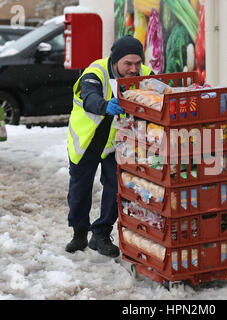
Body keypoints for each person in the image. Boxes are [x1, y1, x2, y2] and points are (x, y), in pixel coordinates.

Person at [65, 35, 154, 257]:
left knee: (116, 188)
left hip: (116, 142)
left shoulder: (145, 73)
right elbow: (89, 97)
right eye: (128, 64)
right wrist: (105, 105)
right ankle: (79, 233)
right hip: (87, 140)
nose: (134, 69)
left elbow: (161, 93)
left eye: (137, 63)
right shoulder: (96, 72)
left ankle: (101, 233)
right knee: (79, 189)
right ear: (115, 61)